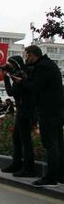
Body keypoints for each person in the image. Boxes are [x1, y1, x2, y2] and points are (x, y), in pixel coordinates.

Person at [16, 45, 64, 187]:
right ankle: (60, 175)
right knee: (58, 143)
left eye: (26, 56)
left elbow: (34, 87)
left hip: (49, 111)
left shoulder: (42, 67)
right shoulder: (49, 64)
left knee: (50, 144)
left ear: (32, 55)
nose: (26, 59)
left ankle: (51, 177)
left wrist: (22, 81)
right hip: (56, 110)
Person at [0, 56, 35, 177]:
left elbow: (14, 92)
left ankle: (28, 168)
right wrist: (5, 77)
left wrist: (10, 77)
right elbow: (11, 93)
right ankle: (17, 163)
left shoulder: (23, 74)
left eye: (10, 65)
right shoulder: (16, 75)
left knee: (25, 140)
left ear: (16, 64)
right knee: (16, 138)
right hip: (21, 110)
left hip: (26, 111)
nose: (9, 67)